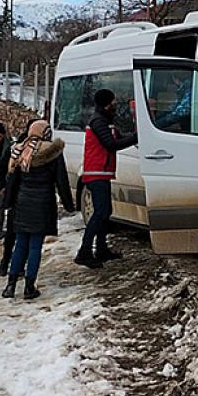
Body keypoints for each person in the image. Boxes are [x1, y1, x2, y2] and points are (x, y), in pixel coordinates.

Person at [2, 121, 75, 300]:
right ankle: (29, 287)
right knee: (35, 246)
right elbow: (61, 180)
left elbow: (12, 179)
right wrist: (69, 204)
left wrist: (8, 203)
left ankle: (10, 286)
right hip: (42, 204)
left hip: (21, 203)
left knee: (20, 244)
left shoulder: (20, 150)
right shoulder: (53, 152)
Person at [75, 89, 137, 269]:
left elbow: (117, 137)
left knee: (105, 212)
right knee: (100, 213)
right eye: (114, 102)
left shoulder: (104, 121)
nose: (116, 105)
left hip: (102, 172)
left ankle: (101, 249)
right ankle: (84, 252)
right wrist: (135, 138)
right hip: (97, 173)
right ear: (107, 103)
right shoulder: (98, 121)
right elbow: (111, 144)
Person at [0, 119, 38, 276]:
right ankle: (6, 261)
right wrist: (2, 187)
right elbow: (2, 168)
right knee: (14, 233)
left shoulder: (39, 149)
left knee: (22, 234)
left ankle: (17, 265)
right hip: (17, 196)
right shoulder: (17, 148)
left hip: (27, 197)